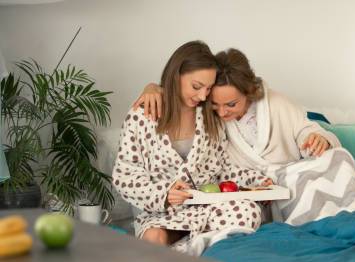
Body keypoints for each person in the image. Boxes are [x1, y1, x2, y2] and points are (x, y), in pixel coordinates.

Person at [113, 41, 269, 247]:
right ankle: (199, 246)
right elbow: (125, 177)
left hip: (208, 208)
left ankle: (198, 246)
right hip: (163, 214)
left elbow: (221, 169)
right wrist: (164, 194)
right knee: (153, 239)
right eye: (196, 86)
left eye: (208, 88)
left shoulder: (209, 116)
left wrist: (255, 181)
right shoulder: (143, 115)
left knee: (248, 212)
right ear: (176, 75)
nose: (203, 96)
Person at [133, 48, 341, 170]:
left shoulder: (277, 104)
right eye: (215, 104)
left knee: (339, 160)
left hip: (292, 178)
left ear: (249, 91)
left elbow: (304, 129)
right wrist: (154, 88)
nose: (222, 113)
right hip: (254, 193)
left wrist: (317, 138)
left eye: (231, 104)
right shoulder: (206, 115)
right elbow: (181, 94)